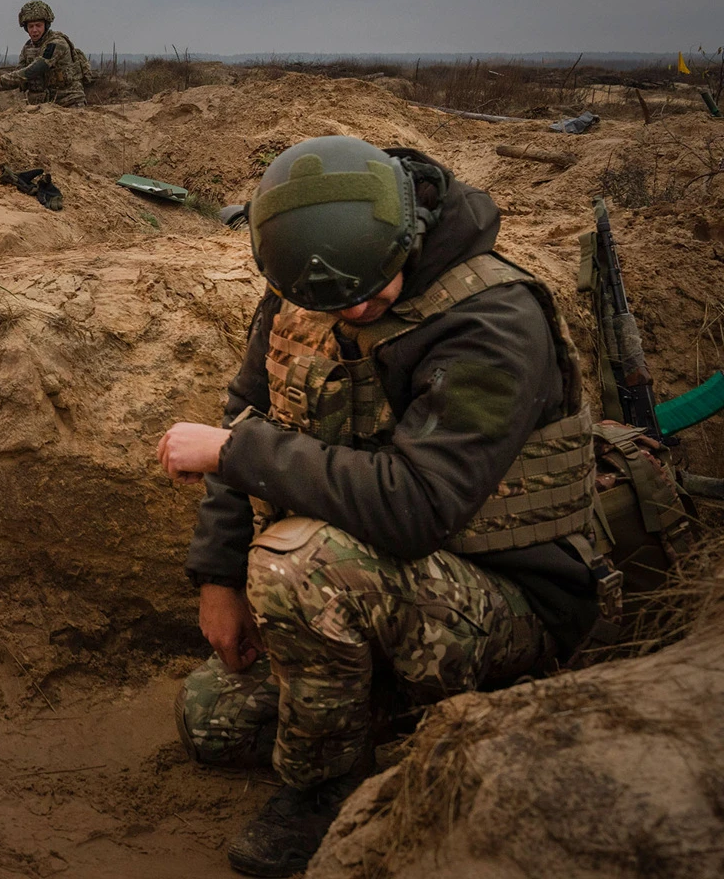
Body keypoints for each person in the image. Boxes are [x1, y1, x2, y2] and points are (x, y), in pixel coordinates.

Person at [155, 136, 604, 877]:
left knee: (300, 565)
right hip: (390, 585)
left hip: (511, 595)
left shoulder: (493, 320)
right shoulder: (317, 274)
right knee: (212, 720)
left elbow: (419, 505)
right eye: (331, 298)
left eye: (370, 291)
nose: (353, 309)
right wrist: (216, 579)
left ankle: (329, 792)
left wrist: (236, 456)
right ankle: (395, 707)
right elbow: (247, 410)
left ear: (410, 236)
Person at [0, 0, 95, 107]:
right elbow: (19, 75)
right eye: (31, 26)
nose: (34, 30)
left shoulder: (57, 43)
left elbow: (37, 68)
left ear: (46, 25)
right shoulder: (28, 48)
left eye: (38, 25)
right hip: (42, 107)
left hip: (68, 103)